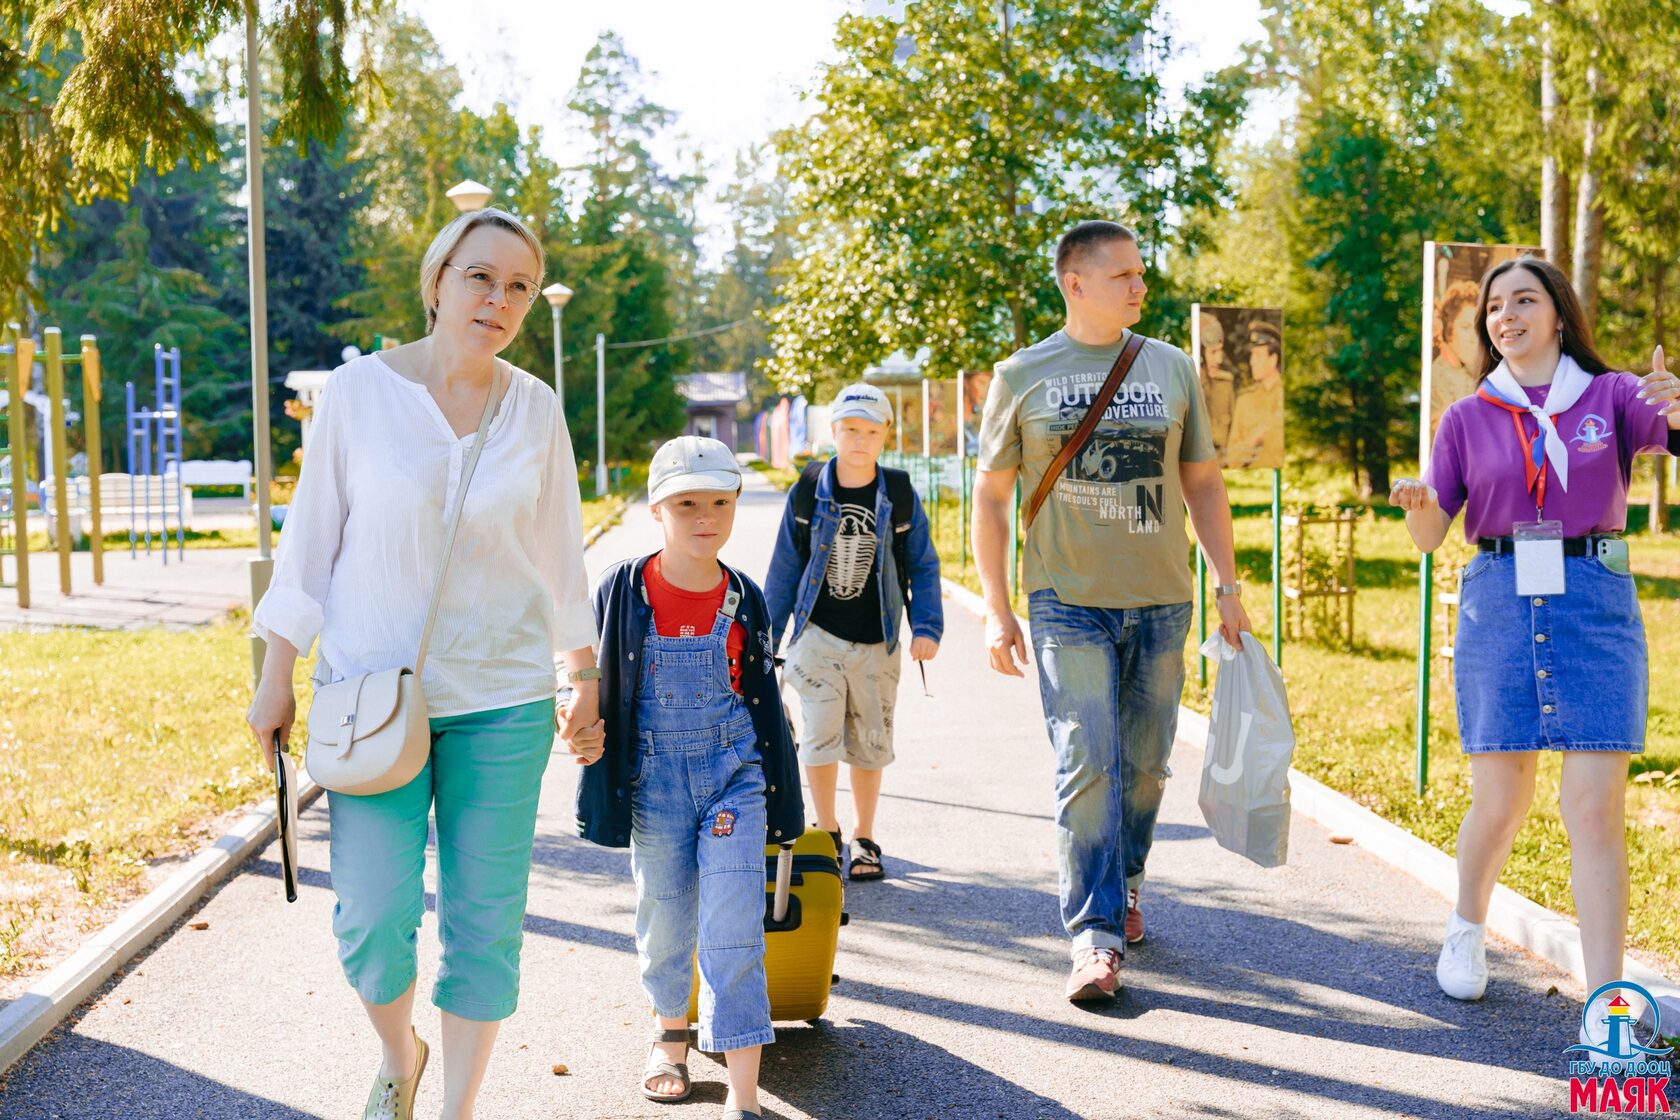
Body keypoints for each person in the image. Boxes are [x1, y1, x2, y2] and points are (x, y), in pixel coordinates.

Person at [246, 207, 602, 1120]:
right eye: (481, 276)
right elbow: (309, 544)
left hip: (503, 697)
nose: (499, 299)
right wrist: (275, 673)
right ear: (438, 277)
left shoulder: (537, 407)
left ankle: (455, 1110)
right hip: (370, 696)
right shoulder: (358, 393)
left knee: (485, 928)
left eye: (519, 286)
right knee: (370, 922)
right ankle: (399, 1054)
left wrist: (582, 677)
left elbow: (561, 553)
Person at [1391, 257, 1680, 1044]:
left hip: (1594, 605)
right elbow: (1429, 537)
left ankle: (1607, 1005)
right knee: (1502, 801)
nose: (1506, 315)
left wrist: (1677, 405)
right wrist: (1418, 505)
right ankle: (1464, 925)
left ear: (1559, 315)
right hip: (1498, 603)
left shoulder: (1613, 394)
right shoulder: (1468, 417)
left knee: (1593, 810)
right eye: (1494, 306)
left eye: (1525, 300)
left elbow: (1674, 435)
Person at [972, 219, 1251, 1004]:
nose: (1140, 286)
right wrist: (998, 610)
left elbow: (1200, 481)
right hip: (1065, 601)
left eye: (1140, 274)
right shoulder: (1022, 374)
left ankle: (1124, 879)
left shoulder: (1168, 369)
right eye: (1123, 275)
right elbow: (991, 500)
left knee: (1148, 763)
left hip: (1162, 598)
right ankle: (1092, 938)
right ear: (1076, 284)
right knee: (1086, 762)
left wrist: (1227, 583)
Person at [576, 436, 802, 1120]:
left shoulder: (746, 596)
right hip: (654, 780)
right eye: (686, 504)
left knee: (733, 922)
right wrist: (576, 716)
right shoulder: (622, 588)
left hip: (735, 773)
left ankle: (743, 1094)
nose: (705, 516)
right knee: (667, 917)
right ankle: (670, 1037)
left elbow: (760, 691)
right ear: (657, 509)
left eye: (719, 502)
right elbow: (587, 674)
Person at [765, 383, 944, 881]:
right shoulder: (809, 488)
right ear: (834, 432)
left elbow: (923, 565)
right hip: (817, 637)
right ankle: (826, 831)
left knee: (869, 739)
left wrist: (926, 626)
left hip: (877, 640)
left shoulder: (900, 492)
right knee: (819, 735)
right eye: (849, 430)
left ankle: (865, 836)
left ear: (886, 434)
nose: (859, 440)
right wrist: (768, 638)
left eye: (870, 431)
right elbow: (784, 568)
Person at [1225, 320, 1284, 469]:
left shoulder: (1287, 397)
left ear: (1273, 359)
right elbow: (1231, 460)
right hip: (1253, 481)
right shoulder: (1245, 400)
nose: (1251, 362)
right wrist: (1251, 441)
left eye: (1257, 356)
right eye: (1252, 356)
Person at [1430, 279, 1483, 429]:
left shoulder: (1474, 372)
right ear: (1448, 328)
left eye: (1478, 330)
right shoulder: (1434, 380)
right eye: (1466, 327)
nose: (1475, 339)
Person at [1197, 311, 1236, 460]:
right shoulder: (1186, 384)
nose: (1219, 359)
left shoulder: (1225, 384)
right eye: (1213, 352)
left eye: (1220, 351)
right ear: (1200, 354)